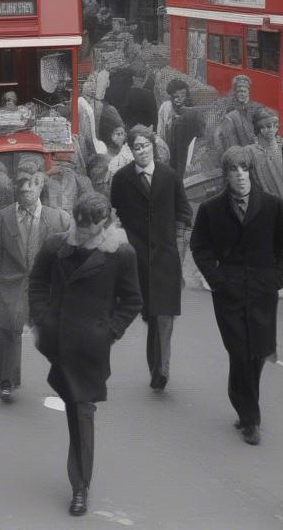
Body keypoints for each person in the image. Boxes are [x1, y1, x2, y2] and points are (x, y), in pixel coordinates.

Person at [28, 192, 142, 516]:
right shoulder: (57, 246)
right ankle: (79, 477)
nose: (82, 232)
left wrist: (108, 333)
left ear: (104, 223)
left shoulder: (121, 254)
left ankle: (80, 486)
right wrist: (42, 317)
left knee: (82, 411)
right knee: (73, 407)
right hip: (60, 344)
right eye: (79, 224)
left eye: (90, 227)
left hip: (92, 348)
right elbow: (36, 282)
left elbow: (132, 301)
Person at [190, 145, 283, 445]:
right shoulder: (211, 209)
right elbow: (200, 247)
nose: (240, 175)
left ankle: (243, 402)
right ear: (226, 175)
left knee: (258, 352)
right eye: (234, 170)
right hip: (229, 291)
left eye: (245, 169)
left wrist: (279, 277)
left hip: (263, 289)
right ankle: (250, 418)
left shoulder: (274, 207)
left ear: (252, 171)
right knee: (239, 353)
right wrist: (217, 278)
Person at [110, 125, 192, 392]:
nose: (142, 151)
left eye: (146, 146)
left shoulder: (169, 176)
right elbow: (114, 213)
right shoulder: (122, 179)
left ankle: (161, 369)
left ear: (153, 148)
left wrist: (178, 243)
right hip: (138, 258)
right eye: (137, 147)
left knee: (164, 313)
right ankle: (156, 365)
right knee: (150, 313)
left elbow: (184, 211)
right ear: (131, 151)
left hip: (167, 255)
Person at [0, 171, 72, 404]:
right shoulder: (3, 216)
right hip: (12, 282)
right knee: (9, 329)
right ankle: (7, 380)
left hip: (44, 285)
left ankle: (65, 377)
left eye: (31, 184)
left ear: (40, 186)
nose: (26, 189)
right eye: (21, 184)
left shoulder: (58, 218)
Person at [244, 107, 283, 218]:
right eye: (267, 127)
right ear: (259, 128)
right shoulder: (250, 151)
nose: (271, 130)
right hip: (263, 204)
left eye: (274, 125)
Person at [214, 74, 259, 153]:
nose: (242, 93)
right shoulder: (229, 107)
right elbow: (220, 132)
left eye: (244, 91)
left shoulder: (254, 107)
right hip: (234, 145)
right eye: (239, 91)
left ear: (248, 91)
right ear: (235, 92)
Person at [105, 66, 157, 132]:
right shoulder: (147, 94)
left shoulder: (119, 95)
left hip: (131, 131)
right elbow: (154, 119)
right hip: (144, 131)